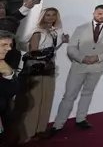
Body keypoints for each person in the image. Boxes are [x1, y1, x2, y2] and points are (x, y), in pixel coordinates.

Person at [49, 5, 103, 136]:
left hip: (97, 67)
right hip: (78, 66)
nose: (102, 16)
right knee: (69, 95)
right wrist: (83, 58)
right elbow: (71, 48)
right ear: (94, 13)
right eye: (99, 13)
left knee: (87, 93)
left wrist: (98, 57)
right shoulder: (81, 28)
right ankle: (58, 125)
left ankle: (81, 119)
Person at [20, 8, 69, 142]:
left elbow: (51, 47)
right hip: (37, 68)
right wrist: (44, 61)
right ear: (42, 16)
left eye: (53, 15)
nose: (50, 17)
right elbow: (33, 52)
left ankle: (40, 129)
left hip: (49, 67)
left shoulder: (55, 31)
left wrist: (63, 41)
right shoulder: (37, 32)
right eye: (47, 15)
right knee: (34, 100)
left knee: (47, 97)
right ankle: (29, 132)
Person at [0, 31, 19, 142]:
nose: (9, 49)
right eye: (4, 45)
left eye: (10, 45)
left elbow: (12, 91)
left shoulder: (4, 64)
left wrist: (8, 74)